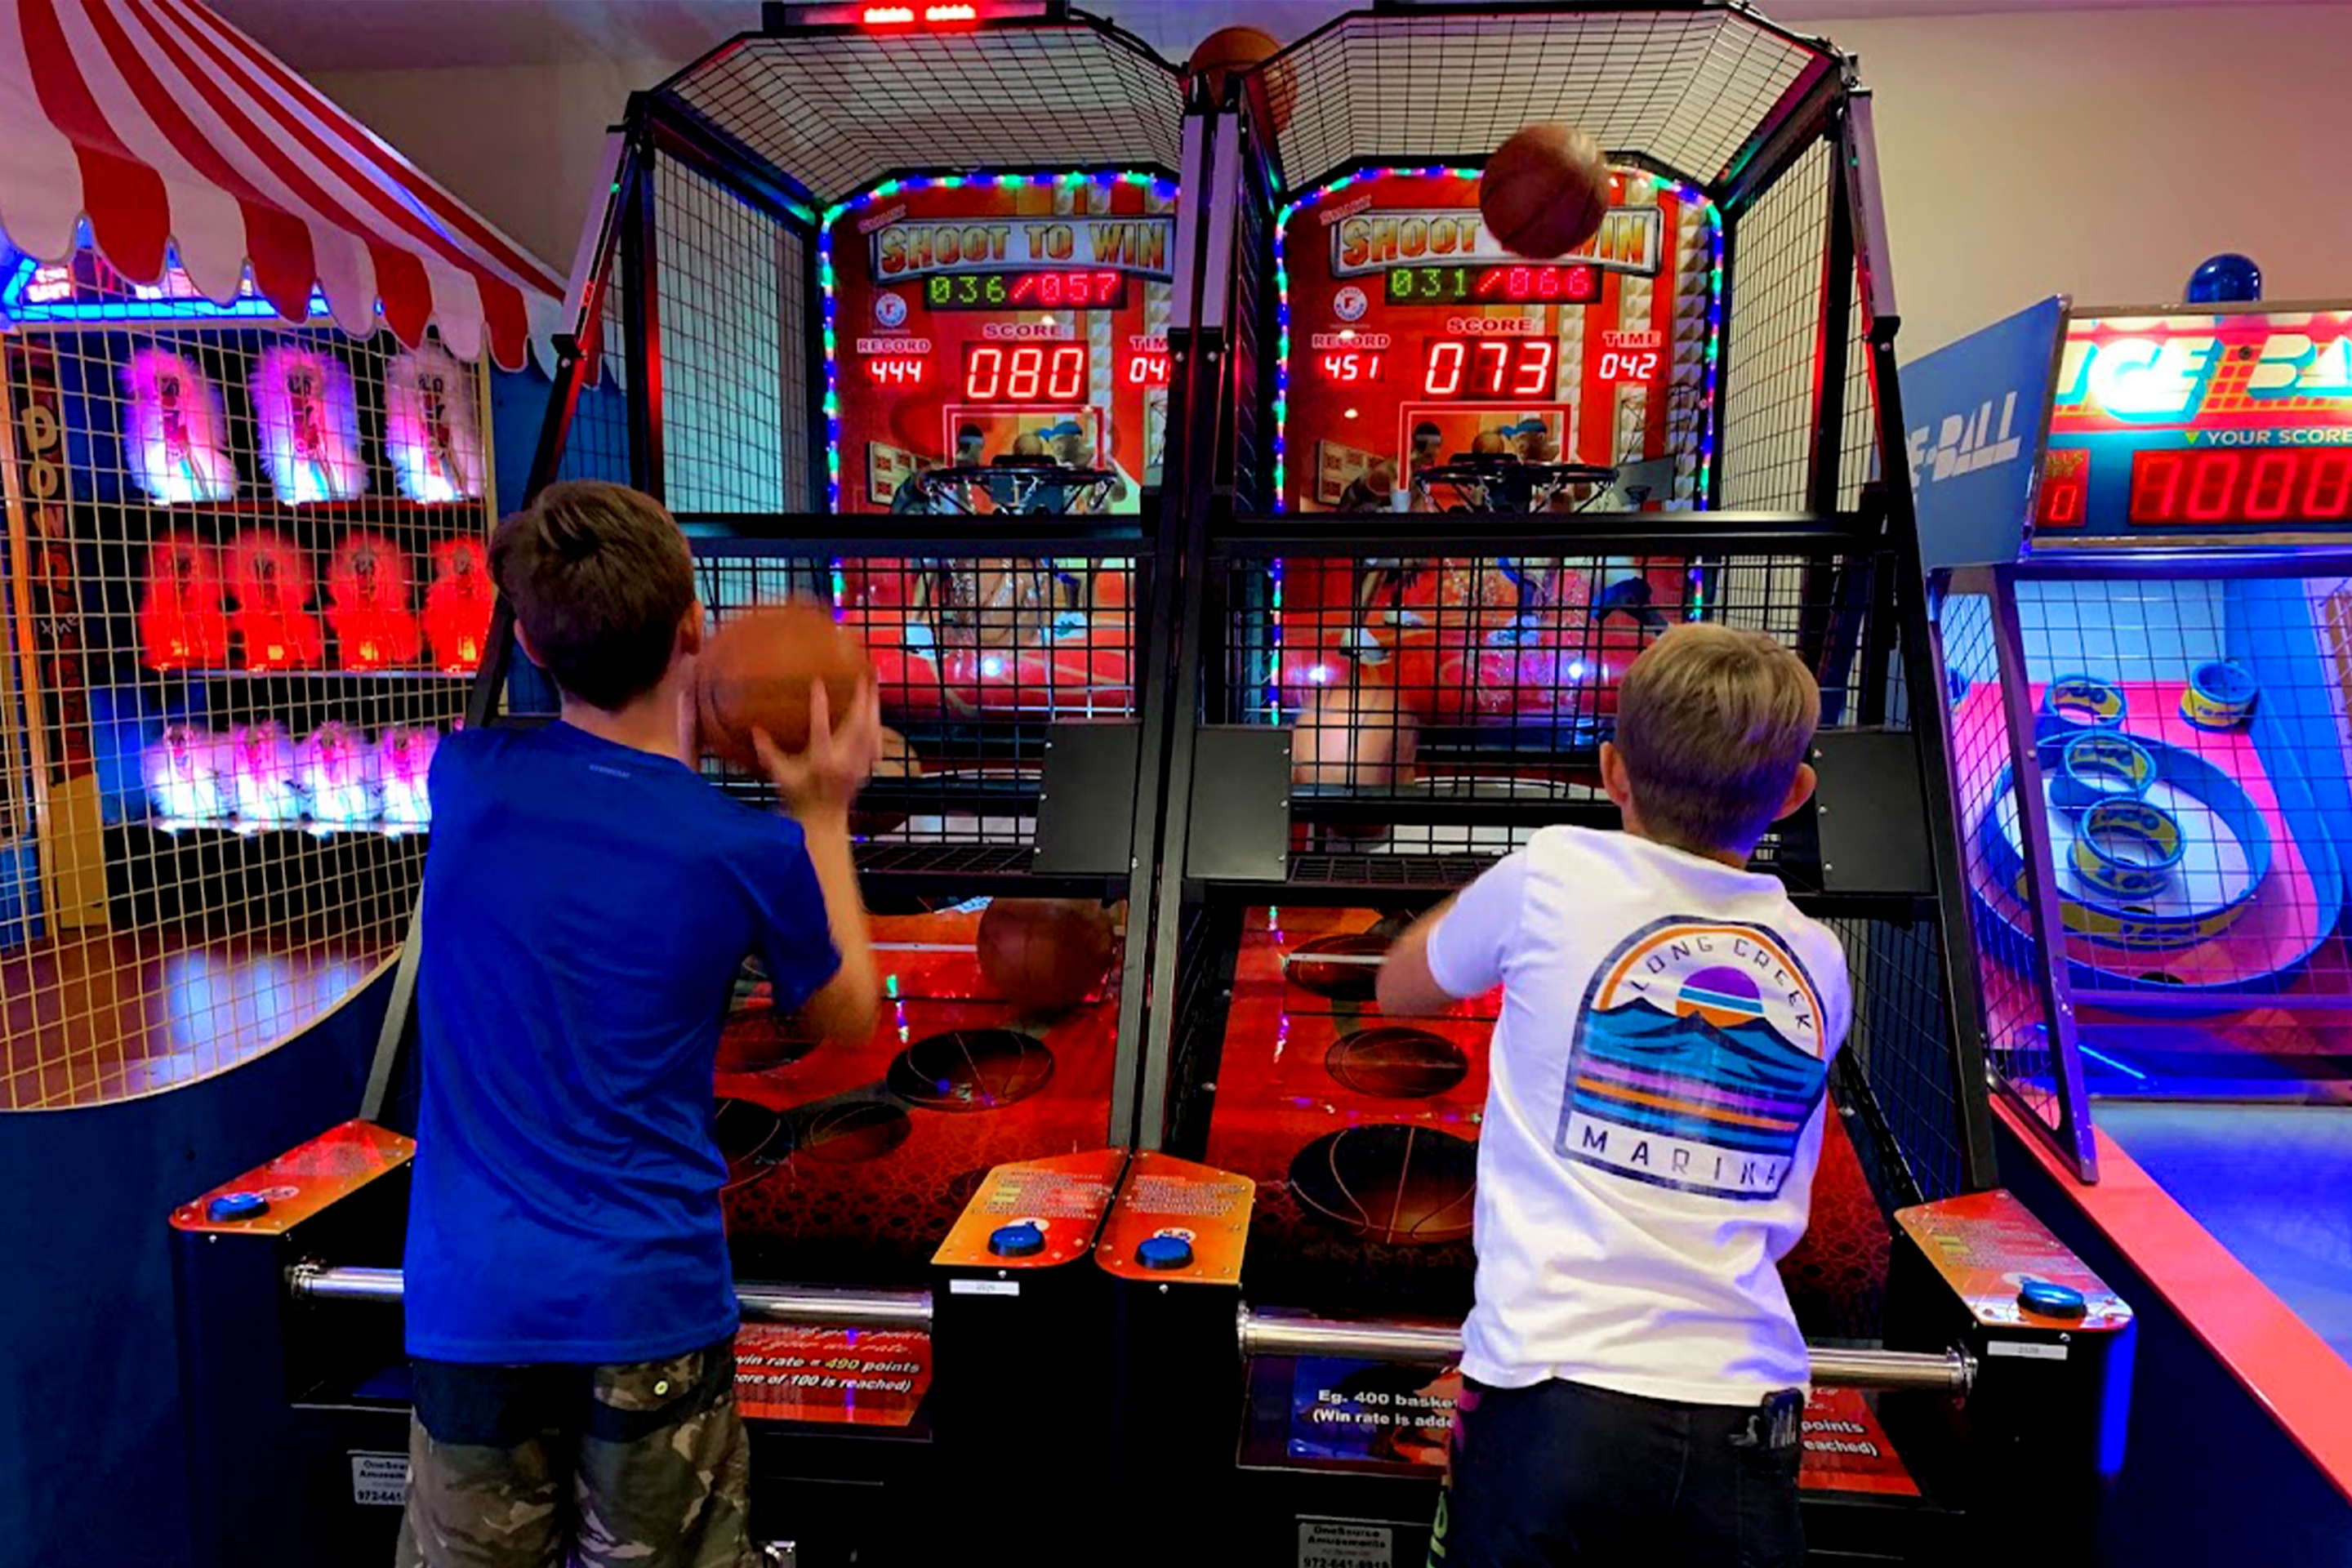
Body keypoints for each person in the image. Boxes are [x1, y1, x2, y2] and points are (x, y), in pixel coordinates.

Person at [397, 479, 881, 1568]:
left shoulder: (464, 780)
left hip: (473, 1301)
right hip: (647, 1297)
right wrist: (820, 811)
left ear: (526, 641)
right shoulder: (744, 852)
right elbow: (846, 1013)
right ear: (691, 629)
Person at [1379, 622, 1847, 1568]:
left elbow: (1402, 987)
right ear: (1794, 795)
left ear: (1611, 772)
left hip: (1552, 1403)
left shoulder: (1552, 868)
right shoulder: (1821, 961)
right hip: (1746, 1426)